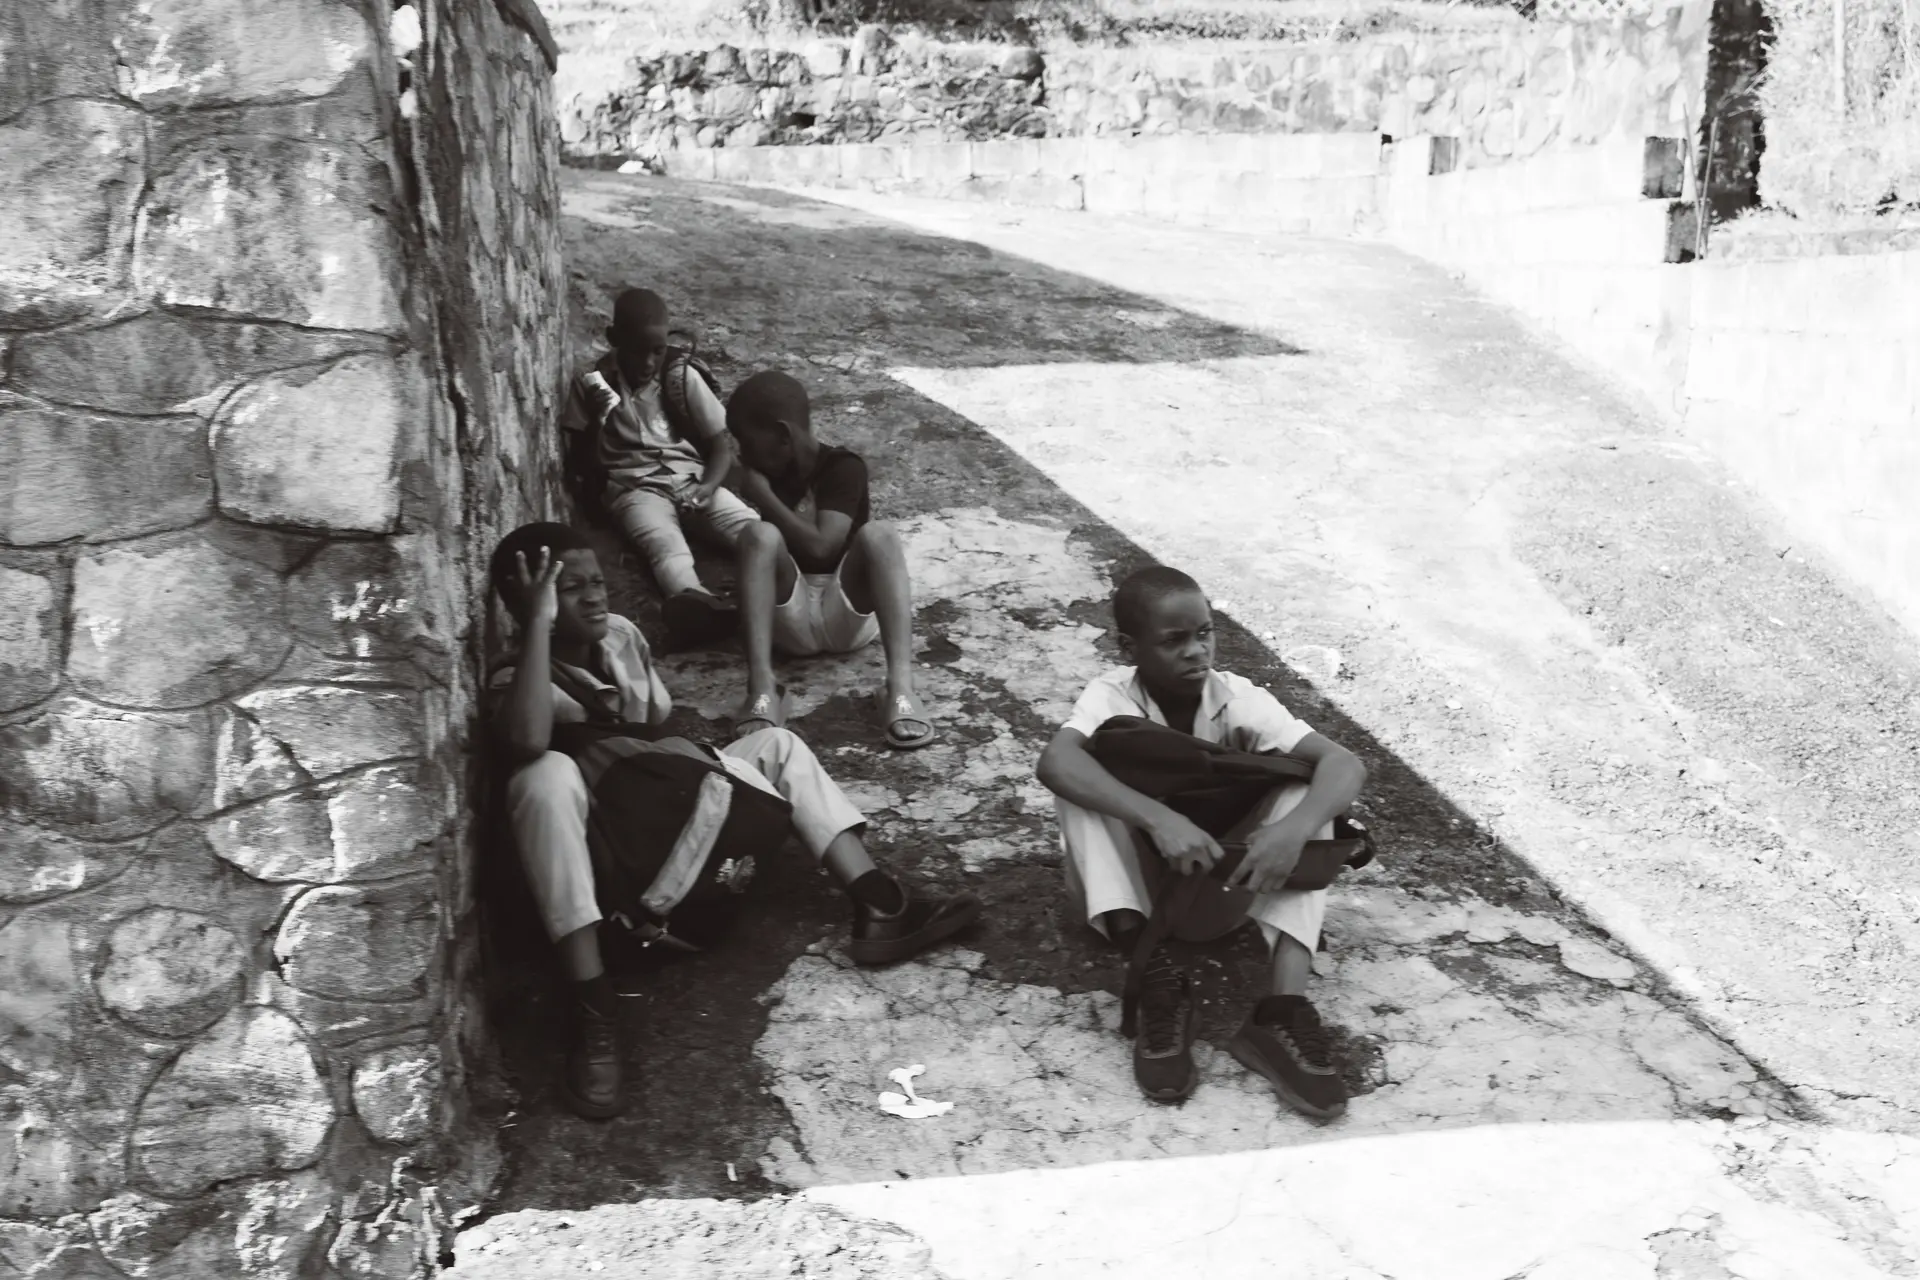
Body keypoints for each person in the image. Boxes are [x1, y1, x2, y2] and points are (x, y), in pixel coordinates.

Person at [488, 521, 983, 1120]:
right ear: (528, 603)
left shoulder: (619, 637)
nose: (594, 597)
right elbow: (528, 738)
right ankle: (594, 1005)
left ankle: (881, 904)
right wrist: (539, 628)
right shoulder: (516, 681)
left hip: (651, 802)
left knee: (777, 744)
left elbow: (654, 725)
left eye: (597, 583)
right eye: (568, 590)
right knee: (541, 774)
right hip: (608, 851)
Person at [1034, 565, 1369, 1119]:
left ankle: (1280, 1011)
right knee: (1080, 782)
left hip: (1228, 885)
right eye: (1173, 641)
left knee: (1306, 790)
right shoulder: (1111, 695)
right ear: (1129, 646)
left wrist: (1292, 830)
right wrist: (1158, 819)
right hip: (1141, 895)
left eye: (1205, 633)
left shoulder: (1235, 696)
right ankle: (1158, 987)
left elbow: (1344, 763)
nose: (1197, 652)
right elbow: (1055, 762)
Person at [722, 369, 937, 751]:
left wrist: (764, 497)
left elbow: (823, 546)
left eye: (746, 441)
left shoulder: (843, 468)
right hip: (791, 616)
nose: (743, 454)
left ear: (784, 436)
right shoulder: (767, 472)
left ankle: (901, 689)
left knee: (880, 534)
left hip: (846, 612)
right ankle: (763, 688)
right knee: (757, 535)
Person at [561, 287, 753, 647]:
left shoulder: (679, 377)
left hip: (692, 478)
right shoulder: (592, 383)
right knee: (664, 545)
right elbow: (581, 457)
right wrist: (599, 418)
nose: (649, 362)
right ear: (614, 340)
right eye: (637, 350)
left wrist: (708, 487)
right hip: (635, 490)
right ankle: (697, 604)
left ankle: (783, 585)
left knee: (749, 528)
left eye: (658, 350)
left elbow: (719, 447)